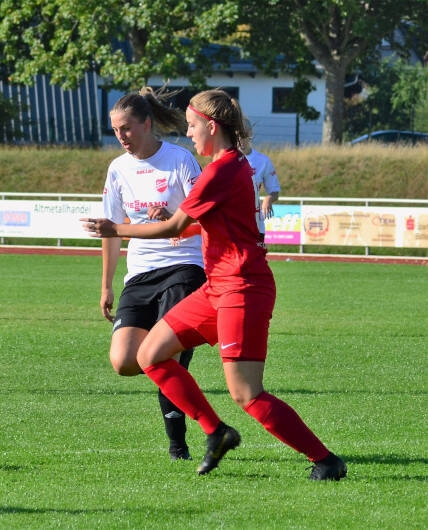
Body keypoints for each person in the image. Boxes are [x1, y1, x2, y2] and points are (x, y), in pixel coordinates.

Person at [82, 89, 347, 480]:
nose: (189, 135)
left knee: (246, 393)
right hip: (217, 286)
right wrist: (170, 217)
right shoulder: (226, 167)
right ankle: (217, 432)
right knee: (149, 355)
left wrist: (114, 228)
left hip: (242, 287)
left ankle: (325, 460)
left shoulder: (222, 170)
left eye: (191, 127)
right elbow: (187, 220)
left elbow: (174, 227)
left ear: (211, 126)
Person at [101, 87, 209, 460]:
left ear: (147, 124)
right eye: (116, 131)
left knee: (163, 357)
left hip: (184, 267)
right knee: (124, 361)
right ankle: (181, 371)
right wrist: (107, 285)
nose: (121, 137)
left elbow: (206, 221)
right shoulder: (117, 169)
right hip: (141, 274)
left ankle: (179, 445)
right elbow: (113, 230)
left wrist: (177, 225)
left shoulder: (180, 160)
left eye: (127, 128)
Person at [243, 121, 281, 237]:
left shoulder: (263, 161)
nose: (239, 139)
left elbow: (274, 191)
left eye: (243, 135)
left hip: (256, 225)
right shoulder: (226, 161)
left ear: (250, 135)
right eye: (236, 135)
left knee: (256, 255)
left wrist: (268, 199)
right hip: (233, 225)